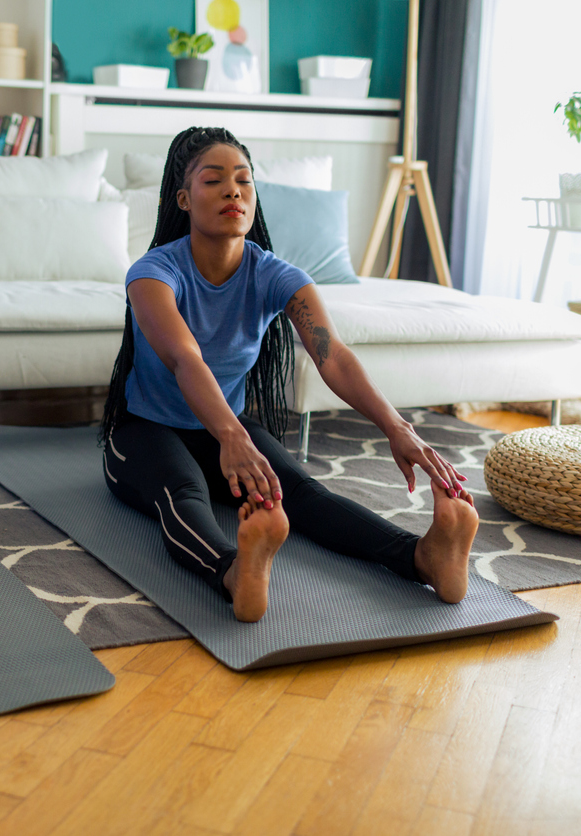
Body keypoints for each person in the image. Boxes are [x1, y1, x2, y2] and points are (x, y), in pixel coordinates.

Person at [99, 127, 479, 623]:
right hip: (144, 430)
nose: (233, 190)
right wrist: (232, 437)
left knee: (304, 495)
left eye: (243, 180)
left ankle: (423, 558)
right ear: (184, 199)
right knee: (183, 490)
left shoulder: (276, 275)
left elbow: (333, 357)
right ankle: (236, 572)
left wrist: (397, 428)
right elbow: (184, 358)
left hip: (230, 428)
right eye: (213, 180)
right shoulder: (152, 274)